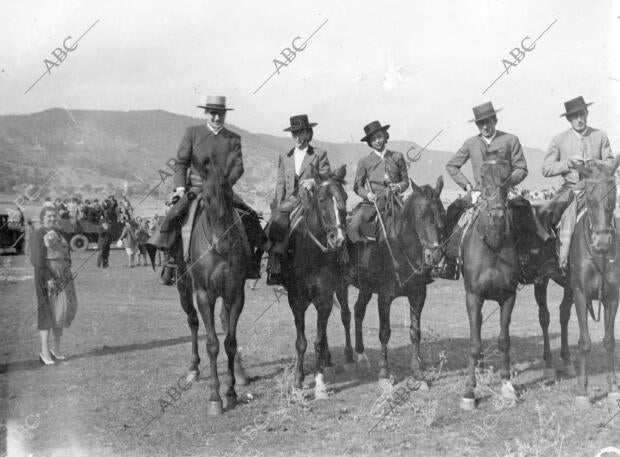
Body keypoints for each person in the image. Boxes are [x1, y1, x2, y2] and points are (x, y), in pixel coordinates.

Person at [149, 95, 265, 284]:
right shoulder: (192, 133)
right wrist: (179, 189)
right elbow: (181, 163)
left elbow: (238, 167)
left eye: (220, 114)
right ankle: (172, 261)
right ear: (206, 113)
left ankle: (250, 263)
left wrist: (224, 185)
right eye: (213, 113)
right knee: (173, 217)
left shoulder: (233, 138)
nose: (217, 118)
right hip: (195, 189)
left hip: (222, 191)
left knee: (250, 218)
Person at [444, 102, 534, 277]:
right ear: (477, 125)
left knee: (525, 210)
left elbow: (521, 168)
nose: (485, 126)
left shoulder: (510, 139)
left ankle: (527, 261)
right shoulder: (470, 143)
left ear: (495, 120)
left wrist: (508, 182)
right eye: (480, 123)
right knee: (453, 211)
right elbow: (452, 165)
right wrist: (467, 185)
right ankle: (450, 261)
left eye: (488, 121)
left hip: (504, 192)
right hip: (479, 193)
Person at [540, 96, 616, 271]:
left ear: (587, 113)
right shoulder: (559, 140)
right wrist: (568, 163)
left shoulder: (600, 136)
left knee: (612, 217)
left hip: (597, 188)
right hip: (570, 189)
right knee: (549, 217)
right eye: (574, 117)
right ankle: (554, 260)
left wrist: (596, 162)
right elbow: (546, 168)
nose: (579, 120)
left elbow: (611, 163)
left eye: (581, 114)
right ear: (568, 119)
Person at [264, 114, 331, 285]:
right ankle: (275, 267)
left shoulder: (319, 154)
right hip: (290, 201)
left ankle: (335, 263)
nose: (297, 137)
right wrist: (278, 208)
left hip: (311, 199)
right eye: (294, 134)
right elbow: (280, 184)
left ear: (308, 133)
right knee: (274, 227)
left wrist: (313, 181)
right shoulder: (285, 156)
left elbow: (327, 177)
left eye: (301, 133)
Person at [30, 207, 77, 365]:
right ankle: (44, 352)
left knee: (61, 311)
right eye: (48, 216)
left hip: (62, 277)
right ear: (42, 218)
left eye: (53, 216)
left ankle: (56, 349)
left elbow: (65, 253)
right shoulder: (38, 234)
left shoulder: (59, 233)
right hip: (46, 277)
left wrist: (67, 266)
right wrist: (49, 278)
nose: (51, 218)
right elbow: (36, 260)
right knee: (46, 313)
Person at [349, 120, 408, 244]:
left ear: (385, 136)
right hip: (373, 203)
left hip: (395, 202)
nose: (378, 141)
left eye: (380, 136)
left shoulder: (397, 157)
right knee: (355, 224)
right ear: (370, 142)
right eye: (374, 139)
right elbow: (357, 186)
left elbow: (405, 181)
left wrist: (398, 186)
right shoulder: (364, 161)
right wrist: (368, 195)